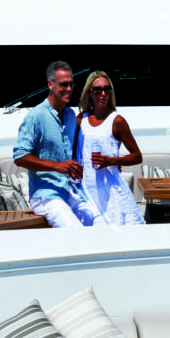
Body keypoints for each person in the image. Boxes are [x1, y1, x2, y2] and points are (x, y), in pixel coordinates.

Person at [13, 59, 104, 229]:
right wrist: (58, 166)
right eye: (64, 85)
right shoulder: (36, 116)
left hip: (71, 191)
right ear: (50, 84)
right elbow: (19, 157)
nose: (69, 89)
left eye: (71, 84)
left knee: (102, 226)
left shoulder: (70, 116)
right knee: (75, 232)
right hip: (45, 195)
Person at [75, 71, 144, 226]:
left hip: (110, 190)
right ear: (90, 93)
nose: (103, 93)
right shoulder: (80, 120)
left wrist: (112, 161)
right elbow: (73, 152)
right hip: (86, 187)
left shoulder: (117, 121)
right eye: (98, 90)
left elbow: (137, 156)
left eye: (107, 89)